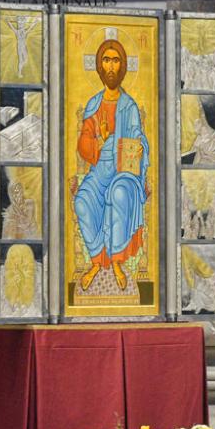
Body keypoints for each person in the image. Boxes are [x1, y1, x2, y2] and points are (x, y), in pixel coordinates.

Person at [73, 39, 149, 291]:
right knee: (82, 200)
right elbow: (83, 144)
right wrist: (100, 140)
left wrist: (140, 147)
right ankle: (97, 260)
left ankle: (116, 260)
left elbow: (138, 139)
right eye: (106, 60)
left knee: (118, 194)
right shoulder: (94, 105)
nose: (111, 66)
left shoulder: (129, 106)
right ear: (99, 66)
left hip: (124, 172)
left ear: (123, 66)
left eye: (116, 60)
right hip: (100, 169)